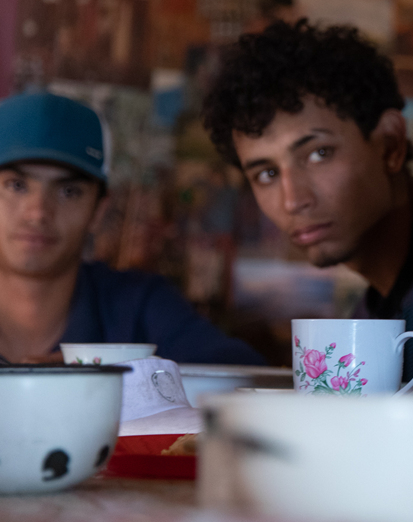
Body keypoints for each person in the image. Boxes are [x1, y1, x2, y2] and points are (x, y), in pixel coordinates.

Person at [202, 20, 413, 379]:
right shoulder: (368, 318)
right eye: (266, 174)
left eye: (319, 153)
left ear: (390, 144)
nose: (293, 200)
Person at [0, 93, 264, 365]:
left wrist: (111, 376)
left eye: (69, 191)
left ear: (99, 210)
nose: (38, 213)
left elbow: (242, 370)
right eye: (16, 186)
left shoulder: (138, 305)